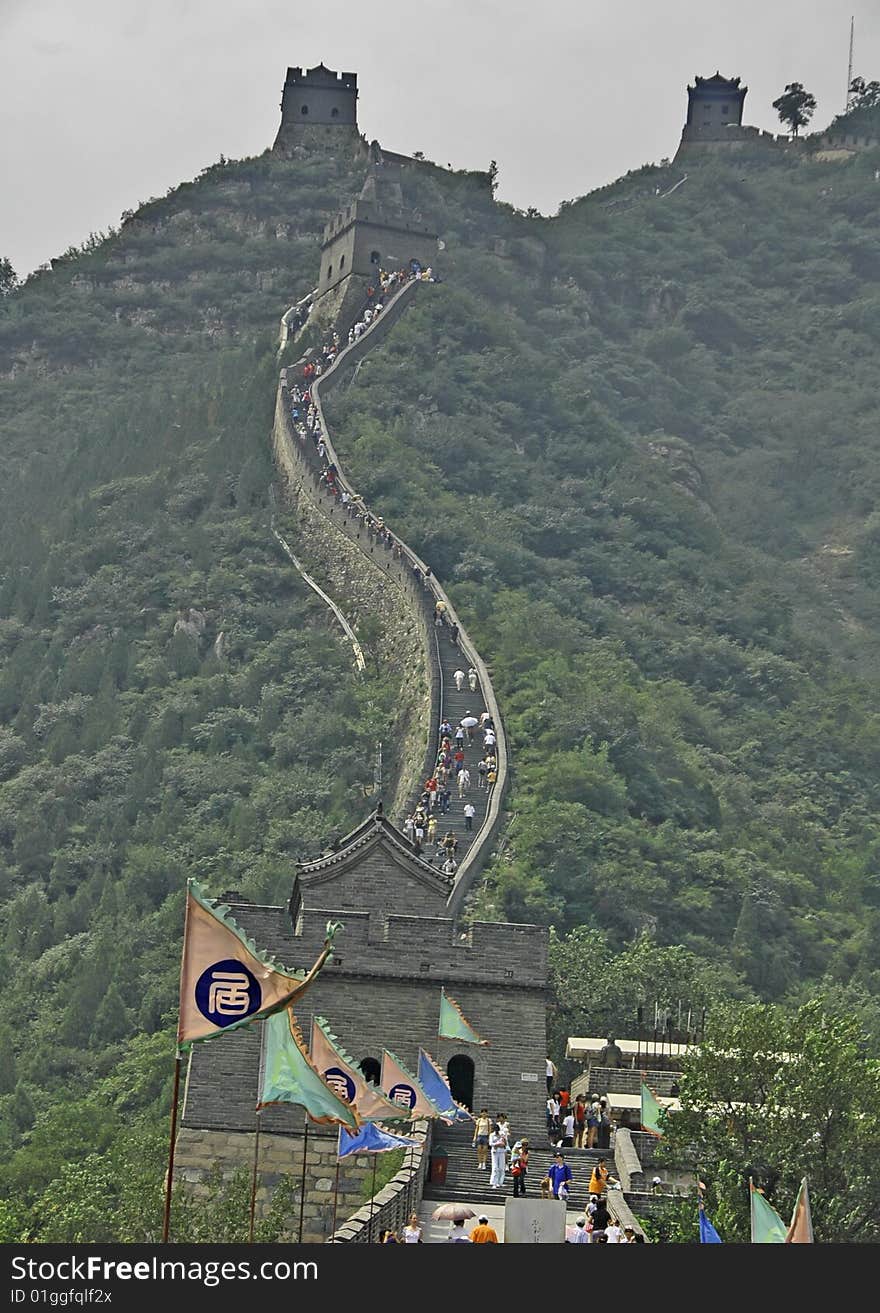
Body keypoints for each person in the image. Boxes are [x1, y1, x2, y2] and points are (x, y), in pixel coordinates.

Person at [489, 1121, 508, 1189]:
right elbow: (490, 1143)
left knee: (501, 1167)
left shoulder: (502, 1134)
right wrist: (497, 1144)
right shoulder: (491, 1135)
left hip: (502, 1151)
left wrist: (502, 1143)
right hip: (495, 1152)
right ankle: (494, 1183)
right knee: (495, 1167)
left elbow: (505, 1143)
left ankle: (500, 1182)